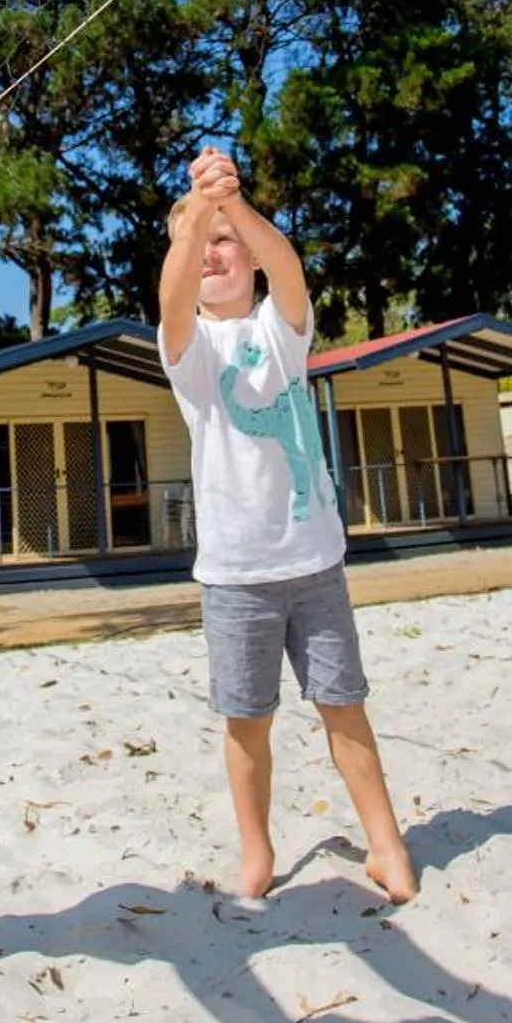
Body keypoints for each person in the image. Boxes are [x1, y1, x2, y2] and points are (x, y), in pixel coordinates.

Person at [155, 146, 417, 906]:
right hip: (236, 576)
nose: (213, 254)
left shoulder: (280, 329)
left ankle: (385, 843)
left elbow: (289, 266)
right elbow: (172, 296)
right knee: (247, 722)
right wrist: (197, 213)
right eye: (199, 245)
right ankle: (257, 848)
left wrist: (231, 203)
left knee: (344, 706)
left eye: (226, 243)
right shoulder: (189, 350)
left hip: (314, 561)